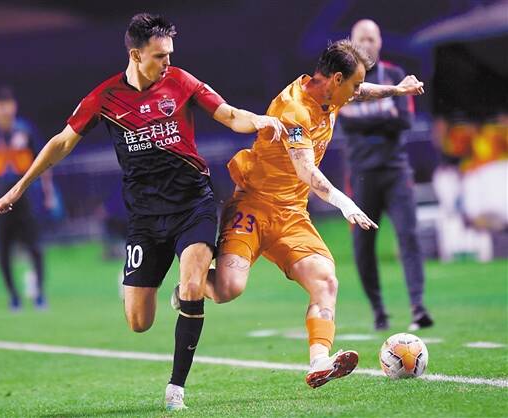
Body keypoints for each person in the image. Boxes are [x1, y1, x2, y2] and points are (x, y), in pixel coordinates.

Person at [0, 13, 285, 411]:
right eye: (160, 56)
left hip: (193, 205)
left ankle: (176, 388)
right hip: (145, 220)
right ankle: (180, 291)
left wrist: (260, 121)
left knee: (194, 285)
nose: (168, 62)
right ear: (135, 55)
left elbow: (230, 115)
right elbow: (61, 143)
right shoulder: (105, 98)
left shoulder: (181, 82)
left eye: (170, 54)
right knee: (138, 321)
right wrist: (19, 187)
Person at [182, 38, 425, 389]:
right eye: (354, 84)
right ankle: (189, 284)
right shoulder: (294, 109)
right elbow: (306, 171)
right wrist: (345, 203)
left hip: (292, 214)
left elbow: (362, 92)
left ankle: (319, 362)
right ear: (336, 79)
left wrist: (397, 90)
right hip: (253, 205)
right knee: (227, 289)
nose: (357, 91)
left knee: (325, 280)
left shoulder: (333, 94)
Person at [338, 19, 433, 331]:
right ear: (352, 43)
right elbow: (346, 122)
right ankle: (378, 310)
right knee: (363, 246)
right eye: (361, 38)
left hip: (395, 169)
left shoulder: (393, 75)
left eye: (372, 38)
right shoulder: (342, 79)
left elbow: (404, 121)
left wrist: (364, 120)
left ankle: (418, 307)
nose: (367, 44)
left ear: (379, 42)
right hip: (361, 175)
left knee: (409, 235)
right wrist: (384, 115)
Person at [0, 86, 54, 311]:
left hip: (27, 200)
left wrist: (48, 192)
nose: (4, 109)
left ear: (14, 106)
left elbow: (44, 160)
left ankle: (39, 294)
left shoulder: (26, 130)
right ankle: (14, 297)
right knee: (2, 251)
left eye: (7, 104)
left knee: (35, 248)